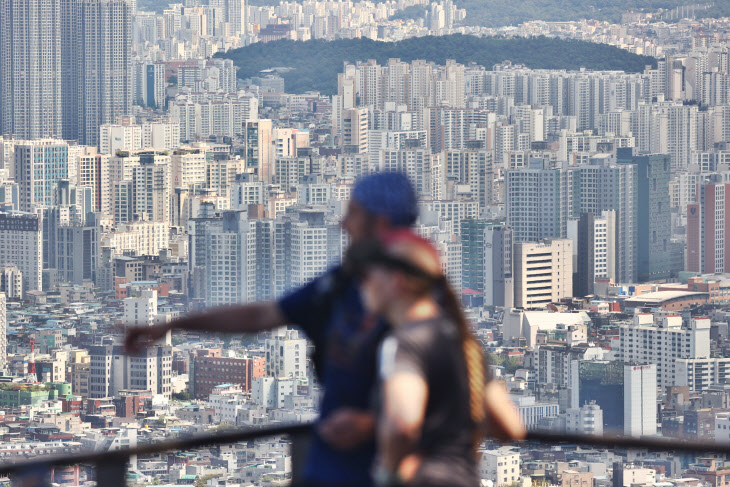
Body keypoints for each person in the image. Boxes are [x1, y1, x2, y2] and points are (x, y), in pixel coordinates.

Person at [125, 171, 420, 487]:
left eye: (354, 214)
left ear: (381, 223)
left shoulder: (422, 303)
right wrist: (172, 325)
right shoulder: (339, 286)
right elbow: (260, 315)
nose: (343, 224)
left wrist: (372, 424)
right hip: (327, 469)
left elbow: (449, 402)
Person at [348, 230, 526, 487]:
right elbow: (510, 428)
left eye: (366, 276)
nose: (361, 285)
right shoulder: (463, 340)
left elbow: (403, 425)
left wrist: (388, 473)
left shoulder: (404, 343)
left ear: (396, 281)